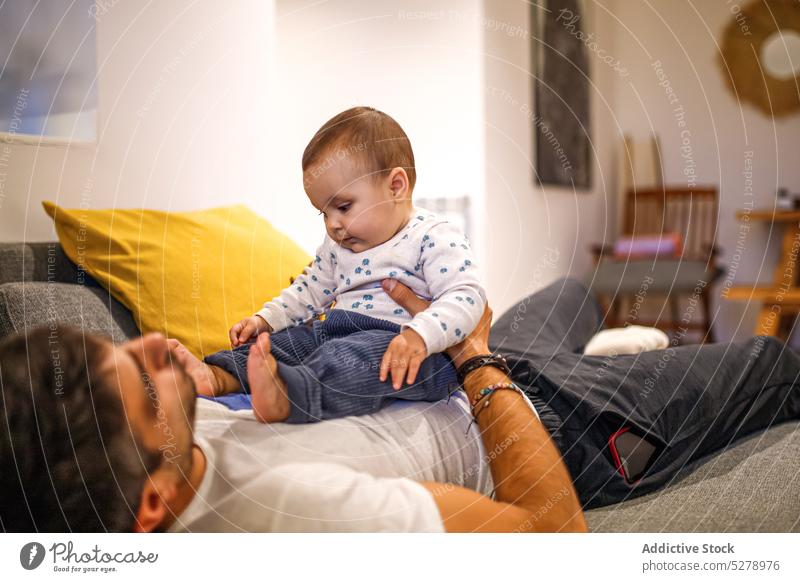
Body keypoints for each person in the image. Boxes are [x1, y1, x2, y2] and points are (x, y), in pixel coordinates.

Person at [0, 278, 586, 533]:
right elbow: (553, 535)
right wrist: (474, 356)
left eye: (121, 347)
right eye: (147, 382)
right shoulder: (287, 514)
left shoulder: (134, 455)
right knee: (599, 304)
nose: (153, 342)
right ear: (152, 504)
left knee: (564, 301)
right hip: (533, 430)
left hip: (455, 377)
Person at [216, 106, 486, 424]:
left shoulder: (432, 235)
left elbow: (468, 296)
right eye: (323, 213)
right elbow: (308, 288)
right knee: (287, 343)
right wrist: (267, 319)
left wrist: (420, 336)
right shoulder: (338, 244)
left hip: (408, 346)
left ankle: (291, 396)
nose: (332, 224)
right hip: (335, 329)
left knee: (350, 359)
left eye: (343, 207)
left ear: (396, 186)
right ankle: (216, 375)